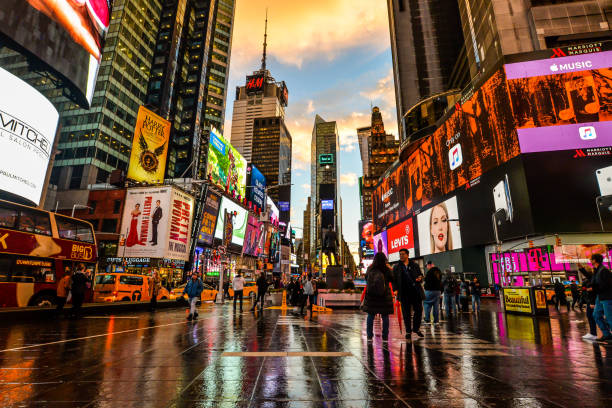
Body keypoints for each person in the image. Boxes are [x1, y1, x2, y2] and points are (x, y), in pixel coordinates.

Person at [393, 248, 424, 340]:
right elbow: (394, 280)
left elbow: (420, 275)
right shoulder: (397, 266)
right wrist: (395, 289)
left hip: (415, 292)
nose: (401, 256)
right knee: (406, 313)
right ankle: (408, 331)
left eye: (403, 254)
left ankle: (416, 328)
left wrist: (420, 278)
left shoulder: (414, 265)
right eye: (400, 254)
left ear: (407, 255)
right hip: (404, 293)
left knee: (418, 311)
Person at [363, 252, 394, 341]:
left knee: (370, 316)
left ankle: (369, 336)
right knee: (385, 316)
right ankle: (385, 336)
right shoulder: (386, 269)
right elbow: (392, 279)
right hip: (384, 295)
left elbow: (366, 279)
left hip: (372, 296)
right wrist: (390, 269)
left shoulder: (370, 268)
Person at [592, 253, 612, 342]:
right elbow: (592, 280)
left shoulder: (604, 270)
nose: (590, 261)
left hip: (607, 297)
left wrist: (594, 288)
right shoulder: (597, 270)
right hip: (600, 296)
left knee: (609, 318)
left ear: (594, 260)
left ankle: (607, 334)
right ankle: (607, 334)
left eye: (591, 259)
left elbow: (608, 284)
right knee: (596, 315)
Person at [579, 267, 597, 341]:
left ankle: (594, 334)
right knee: (593, 316)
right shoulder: (591, 279)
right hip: (592, 301)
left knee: (593, 316)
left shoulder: (590, 280)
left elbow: (592, 292)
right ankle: (593, 333)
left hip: (592, 301)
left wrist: (591, 302)